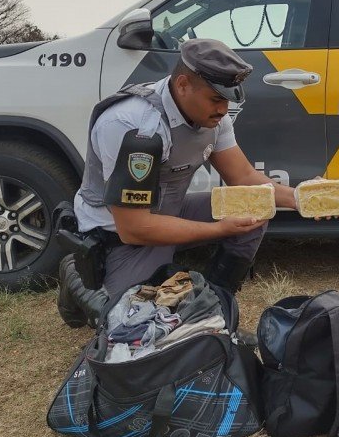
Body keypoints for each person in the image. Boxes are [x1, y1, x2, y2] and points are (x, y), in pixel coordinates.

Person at [57, 38, 297, 337]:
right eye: (216, 99)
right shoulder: (134, 126)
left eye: (228, 100)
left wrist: (300, 198)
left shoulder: (213, 116)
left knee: (253, 206)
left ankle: (215, 303)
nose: (224, 109)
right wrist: (221, 229)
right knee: (138, 329)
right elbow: (135, 227)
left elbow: (245, 178)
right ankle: (78, 279)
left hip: (169, 214)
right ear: (183, 85)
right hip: (120, 236)